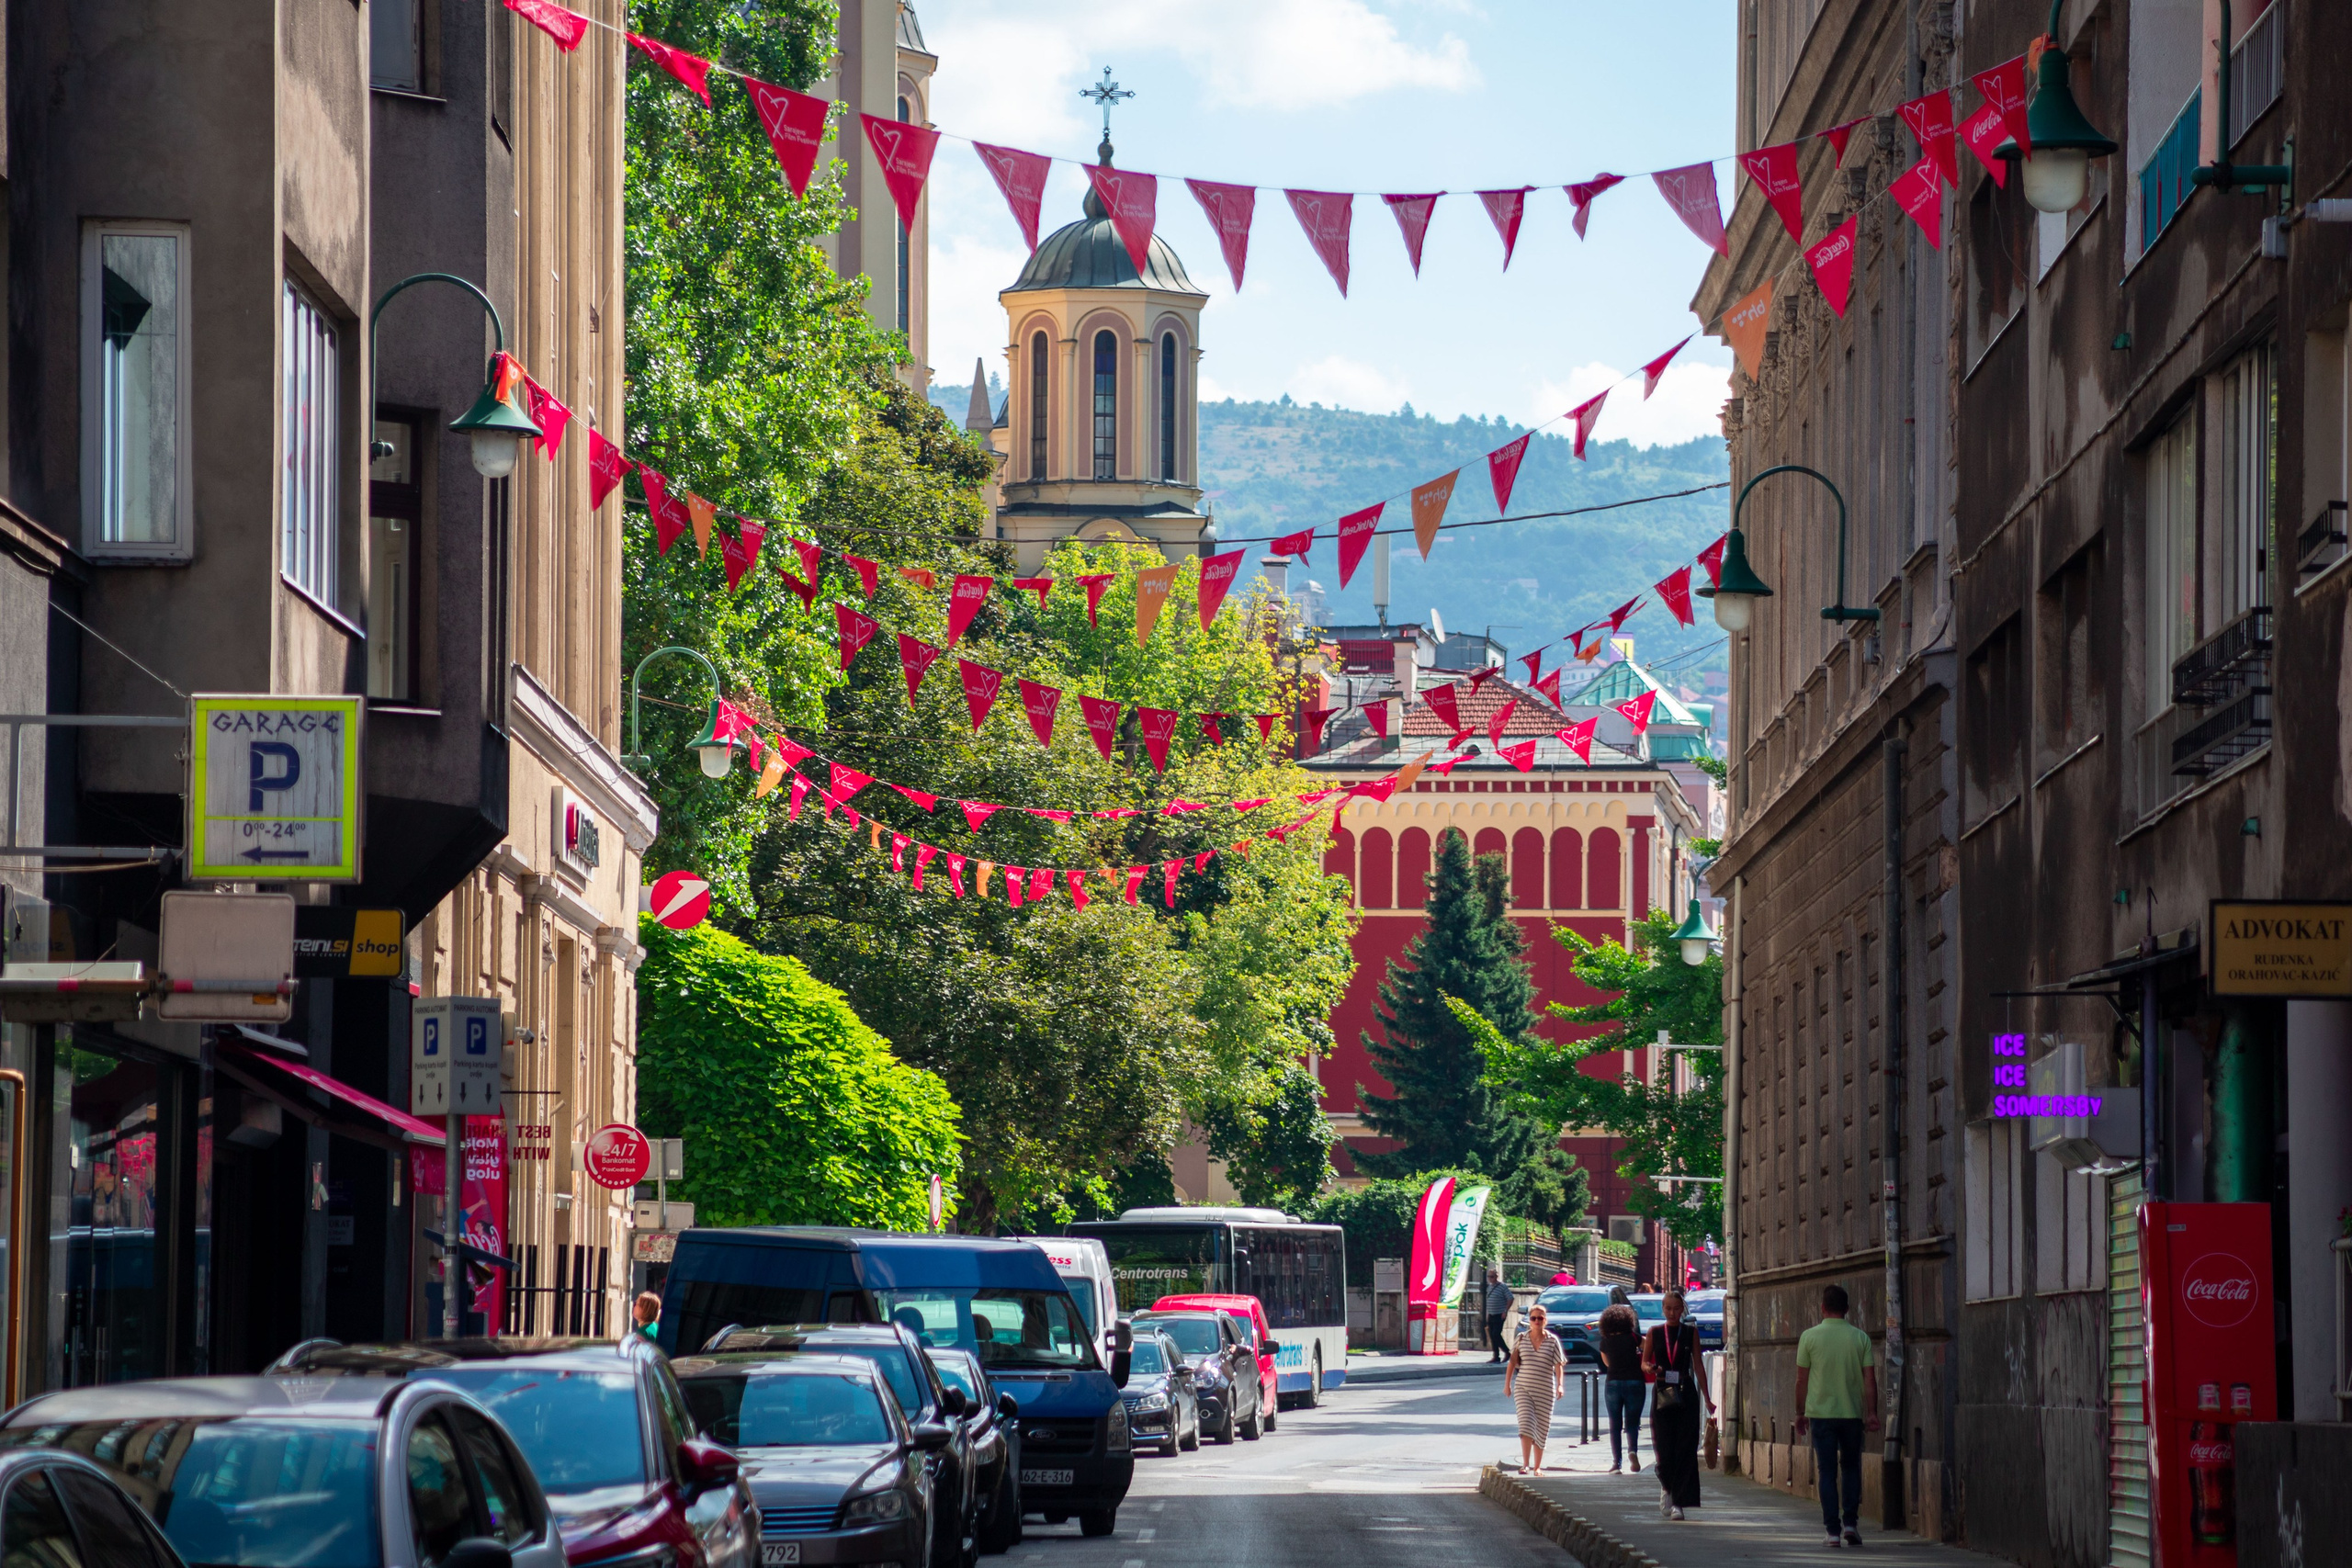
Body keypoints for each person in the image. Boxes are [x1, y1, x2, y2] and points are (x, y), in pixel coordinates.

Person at [1793, 1282, 1880, 1550]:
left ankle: (1832, 1532)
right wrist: (1872, 1413)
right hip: (1852, 1415)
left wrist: (1800, 1412)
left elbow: (1801, 1380)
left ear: (1822, 1308)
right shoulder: (1860, 1338)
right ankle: (1851, 1524)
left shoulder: (1809, 1337)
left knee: (1827, 1472)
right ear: (1847, 1309)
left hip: (1821, 1415)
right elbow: (1870, 1380)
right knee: (1852, 1468)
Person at [1642, 1287, 1712, 1519]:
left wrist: (1708, 1398)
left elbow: (1698, 1365)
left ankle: (1679, 1502)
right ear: (1663, 1309)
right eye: (1668, 1309)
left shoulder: (1690, 1332)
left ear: (1683, 1309)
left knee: (1685, 1447)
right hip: (1663, 1392)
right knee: (1664, 1446)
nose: (1672, 1313)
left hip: (1685, 1392)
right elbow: (1644, 1362)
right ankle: (1667, 1488)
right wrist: (1650, 1368)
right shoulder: (1654, 1332)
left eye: (1676, 1309)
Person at [1505, 1303, 1567, 1475]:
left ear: (1545, 1320)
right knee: (1525, 1424)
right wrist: (1507, 1384)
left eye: (1540, 1318)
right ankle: (1525, 1464)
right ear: (1529, 1321)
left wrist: (1560, 1384)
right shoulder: (1521, 1339)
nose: (1537, 1321)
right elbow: (1512, 1363)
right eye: (1533, 1318)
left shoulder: (1552, 1340)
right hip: (1523, 1387)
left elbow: (1558, 1365)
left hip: (1545, 1390)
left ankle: (1537, 1467)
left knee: (1541, 1427)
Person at [1595, 1295, 1645, 1473]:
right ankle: (1633, 1450)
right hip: (1635, 1381)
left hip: (1613, 1383)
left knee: (1615, 1423)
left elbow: (1607, 1363)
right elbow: (1647, 1347)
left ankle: (1617, 1463)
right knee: (1632, 1422)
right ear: (1627, 1321)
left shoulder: (1605, 1341)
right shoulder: (1633, 1337)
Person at [1483, 1271, 1516, 1363]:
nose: (1490, 1278)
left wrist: (1505, 1311)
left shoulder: (1502, 1286)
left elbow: (1510, 1298)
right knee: (1492, 1336)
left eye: (1492, 1277)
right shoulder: (1489, 1287)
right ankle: (1496, 1356)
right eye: (1489, 1277)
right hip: (1491, 1314)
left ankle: (1507, 1352)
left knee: (1496, 1334)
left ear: (1496, 1277)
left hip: (1499, 1314)